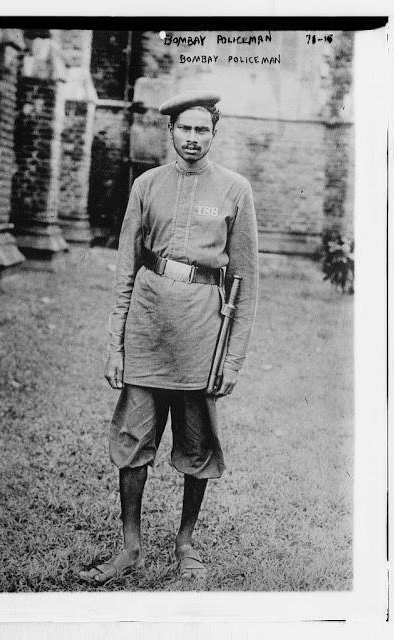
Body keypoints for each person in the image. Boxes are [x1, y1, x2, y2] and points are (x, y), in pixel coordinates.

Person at [80, 90, 259, 586]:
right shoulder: (146, 185)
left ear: (214, 134)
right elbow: (124, 271)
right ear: (171, 132)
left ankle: (186, 544)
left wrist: (233, 359)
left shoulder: (235, 189)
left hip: (203, 332)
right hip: (148, 326)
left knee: (197, 443)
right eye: (186, 129)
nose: (194, 139)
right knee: (134, 438)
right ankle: (129, 546)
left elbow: (247, 281)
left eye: (203, 130)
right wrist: (115, 345)